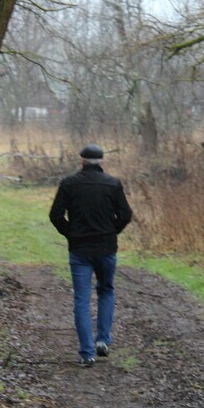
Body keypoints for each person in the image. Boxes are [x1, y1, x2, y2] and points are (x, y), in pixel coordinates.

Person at [49, 144, 133, 366]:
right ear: (102, 162)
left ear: (81, 161)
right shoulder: (113, 184)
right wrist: (111, 232)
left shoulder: (68, 184)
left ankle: (87, 353)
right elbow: (126, 214)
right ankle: (103, 340)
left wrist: (71, 234)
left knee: (81, 299)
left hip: (79, 250)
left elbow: (55, 215)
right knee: (106, 291)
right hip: (106, 248)